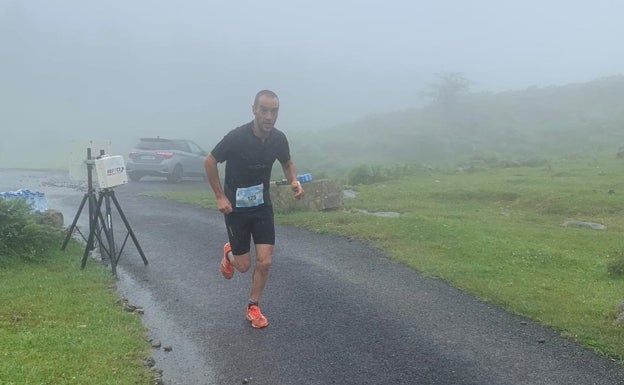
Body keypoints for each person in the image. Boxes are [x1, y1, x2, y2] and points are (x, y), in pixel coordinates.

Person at [204, 89, 304, 329]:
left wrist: (294, 181)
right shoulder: (237, 137)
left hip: (262, 207)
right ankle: (229, 253)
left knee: (265, 261)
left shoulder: (278, 139)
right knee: (243, 266)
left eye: (274, 111)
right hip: (235, 210)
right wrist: (220, 196)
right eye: (264, 110)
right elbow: (210, 161)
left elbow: (287, 162)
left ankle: (253, 306)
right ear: (254, 110)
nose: (270, 116)